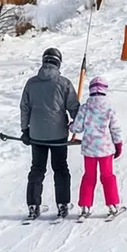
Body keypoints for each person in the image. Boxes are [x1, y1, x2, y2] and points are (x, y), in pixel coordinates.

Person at [20, 47, 80, 221]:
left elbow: (24, 107)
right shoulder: (64, 83)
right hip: (58, 135)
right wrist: (77, 125)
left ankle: (33, 205)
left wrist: (25, 130)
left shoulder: (31, 83)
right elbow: (74, 107)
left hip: (36, 135)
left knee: (37, 169)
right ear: (58, 62)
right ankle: (62, 205)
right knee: (60, 168)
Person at [70, 76, 124, 219]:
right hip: (105, 149)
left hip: (89, 149)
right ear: (105, 91)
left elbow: (77, 128)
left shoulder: (85, 107)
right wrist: (118, 145)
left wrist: (70, 125)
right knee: (107, 176)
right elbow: (115, 129)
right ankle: (113, 205)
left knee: (89, 177)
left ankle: (85, 207)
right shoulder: (109, 108)